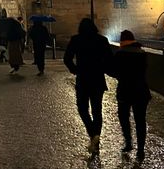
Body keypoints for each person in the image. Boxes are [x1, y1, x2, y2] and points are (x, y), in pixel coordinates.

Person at [63, 18, 113, 155]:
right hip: (97, 79)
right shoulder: (102, 40)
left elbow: (67, 58)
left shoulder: (76, 40)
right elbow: (109, 59)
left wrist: (75, 70)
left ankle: (92, 134)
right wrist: (103, 68)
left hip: (83, 78)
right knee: (97, 110)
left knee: (82, 108)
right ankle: (96, 137)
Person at [110, 30, 151, 161]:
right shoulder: (142, 53)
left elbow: (114, 71)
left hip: (125, 90)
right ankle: (140, 150)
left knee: (124, 117)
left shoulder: (120, 54)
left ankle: (128, 142)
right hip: (141, 90)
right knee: (140, 121)